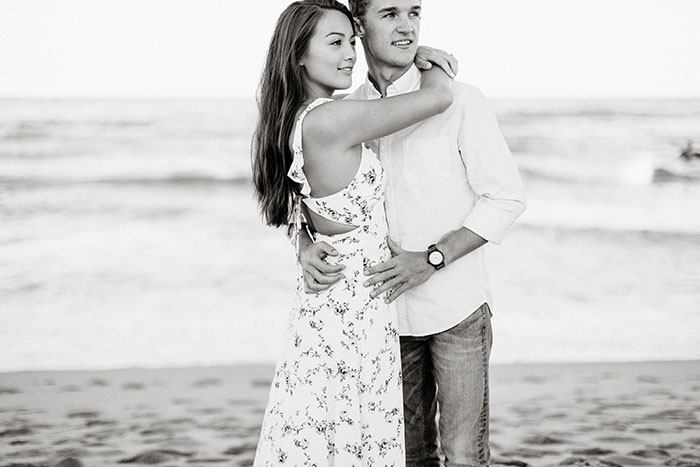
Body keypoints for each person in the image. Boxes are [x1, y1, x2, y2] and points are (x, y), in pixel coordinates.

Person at [298, 0, 528, 465]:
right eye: (390, 14)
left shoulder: (462, 99)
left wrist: (432, 259)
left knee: (464, 455)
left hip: (456, 310)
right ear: (358, 26)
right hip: (381, 318)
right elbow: (308, 200)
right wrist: (304, 244)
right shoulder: (345, 112)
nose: (407, 26)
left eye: (414, 12)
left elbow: (506, 199)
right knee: (407, 456)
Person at [250, 1, 456, 465]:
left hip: (342, 307)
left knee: (331, 440)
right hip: (349, 316)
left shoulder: (302, 117)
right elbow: (440, 97)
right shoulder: (328, 120)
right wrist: (429, 57)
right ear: (299, 54)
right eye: (335, 42)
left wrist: (303, 243)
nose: (349, 54)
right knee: (346, 442)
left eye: (351, 40)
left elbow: (296, 210)